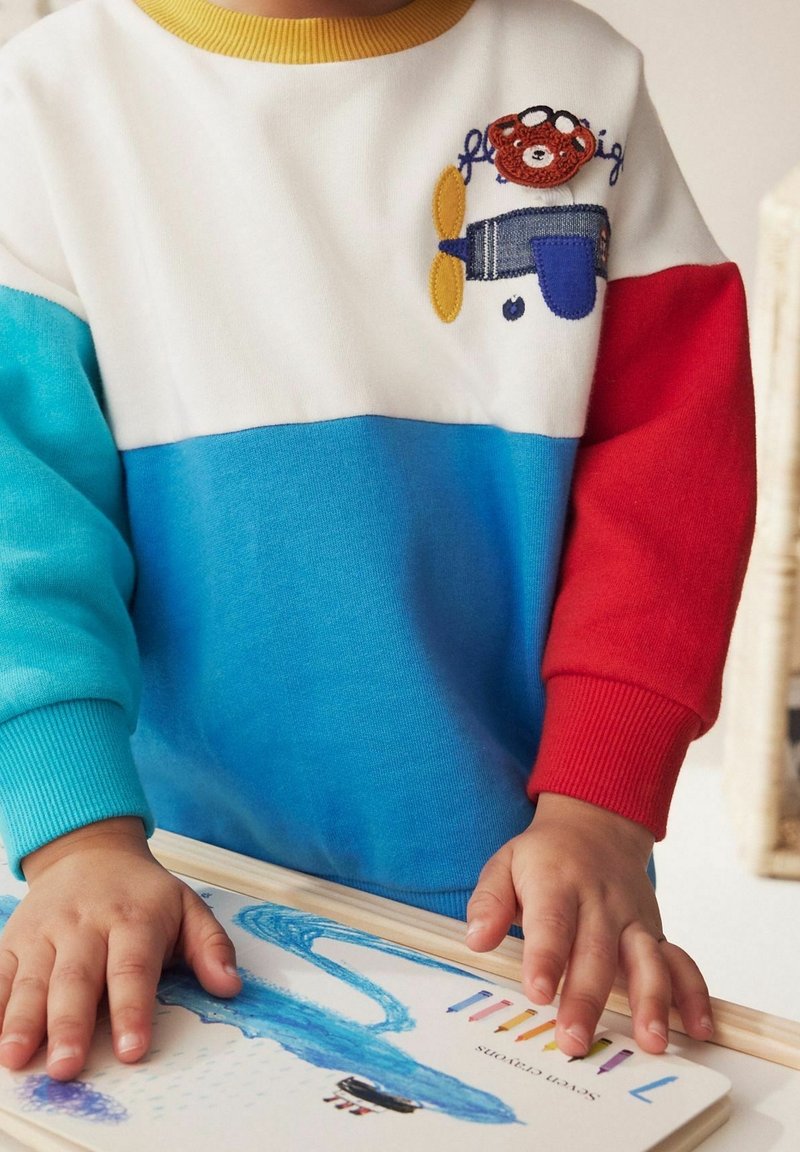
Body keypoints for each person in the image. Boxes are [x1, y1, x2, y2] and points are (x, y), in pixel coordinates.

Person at [0, 0, 755, 1084]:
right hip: (147, 881)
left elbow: (670, 495)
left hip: (522, 881)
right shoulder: (47, 100)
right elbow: (20, 523)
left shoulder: (580, 84)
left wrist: (601, 807)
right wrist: (76, 834)